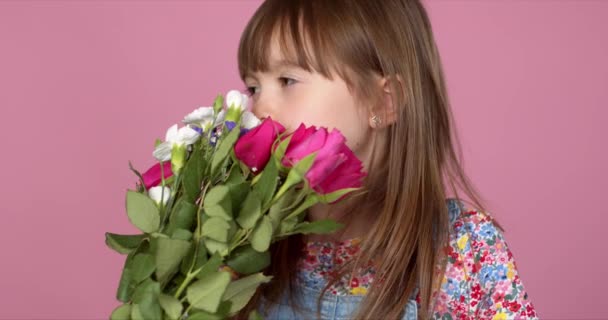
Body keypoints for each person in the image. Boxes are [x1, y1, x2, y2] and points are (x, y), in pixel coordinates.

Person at [232, 0, 539, 319]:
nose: (259, 110)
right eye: (253, 87)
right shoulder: (245, 244)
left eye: (287, 81)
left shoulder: (461, 251)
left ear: (383, 101)